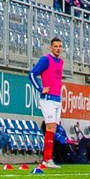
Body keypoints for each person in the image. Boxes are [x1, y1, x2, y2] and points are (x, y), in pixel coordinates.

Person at [29, 37, 64, 168]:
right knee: (49, 127)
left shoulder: (60, 62)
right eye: (55, 46)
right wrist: (40, 88)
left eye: (60, 46)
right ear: (51, 47)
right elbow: (32, 74)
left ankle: (48, 158)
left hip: (57, 99)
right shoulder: (45, 60)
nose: (58, 48)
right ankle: (47, 159)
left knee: (53, 128)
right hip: (48, 99)